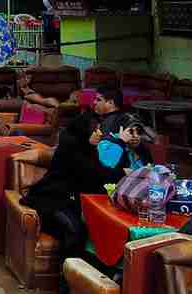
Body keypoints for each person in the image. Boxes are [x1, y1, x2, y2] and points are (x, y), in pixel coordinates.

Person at [20, 86, 134, 271]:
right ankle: (67, 281)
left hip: (70, 201)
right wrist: (122, 173)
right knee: (76, 231)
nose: (99, 134)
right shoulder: (71, 147)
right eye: (95, 130)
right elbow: (92, 174)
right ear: (84, 131)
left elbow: (97, 171)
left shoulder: (87, 148)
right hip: (51, 199)